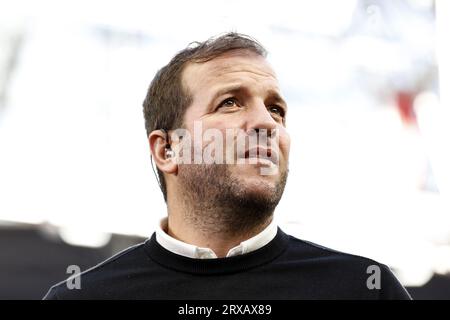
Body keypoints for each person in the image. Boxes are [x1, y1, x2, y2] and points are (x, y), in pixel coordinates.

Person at [44, 32, 411, 299]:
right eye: (230, 103)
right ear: (168, 150)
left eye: (276, 109)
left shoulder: (363, 289)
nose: (267, 124)